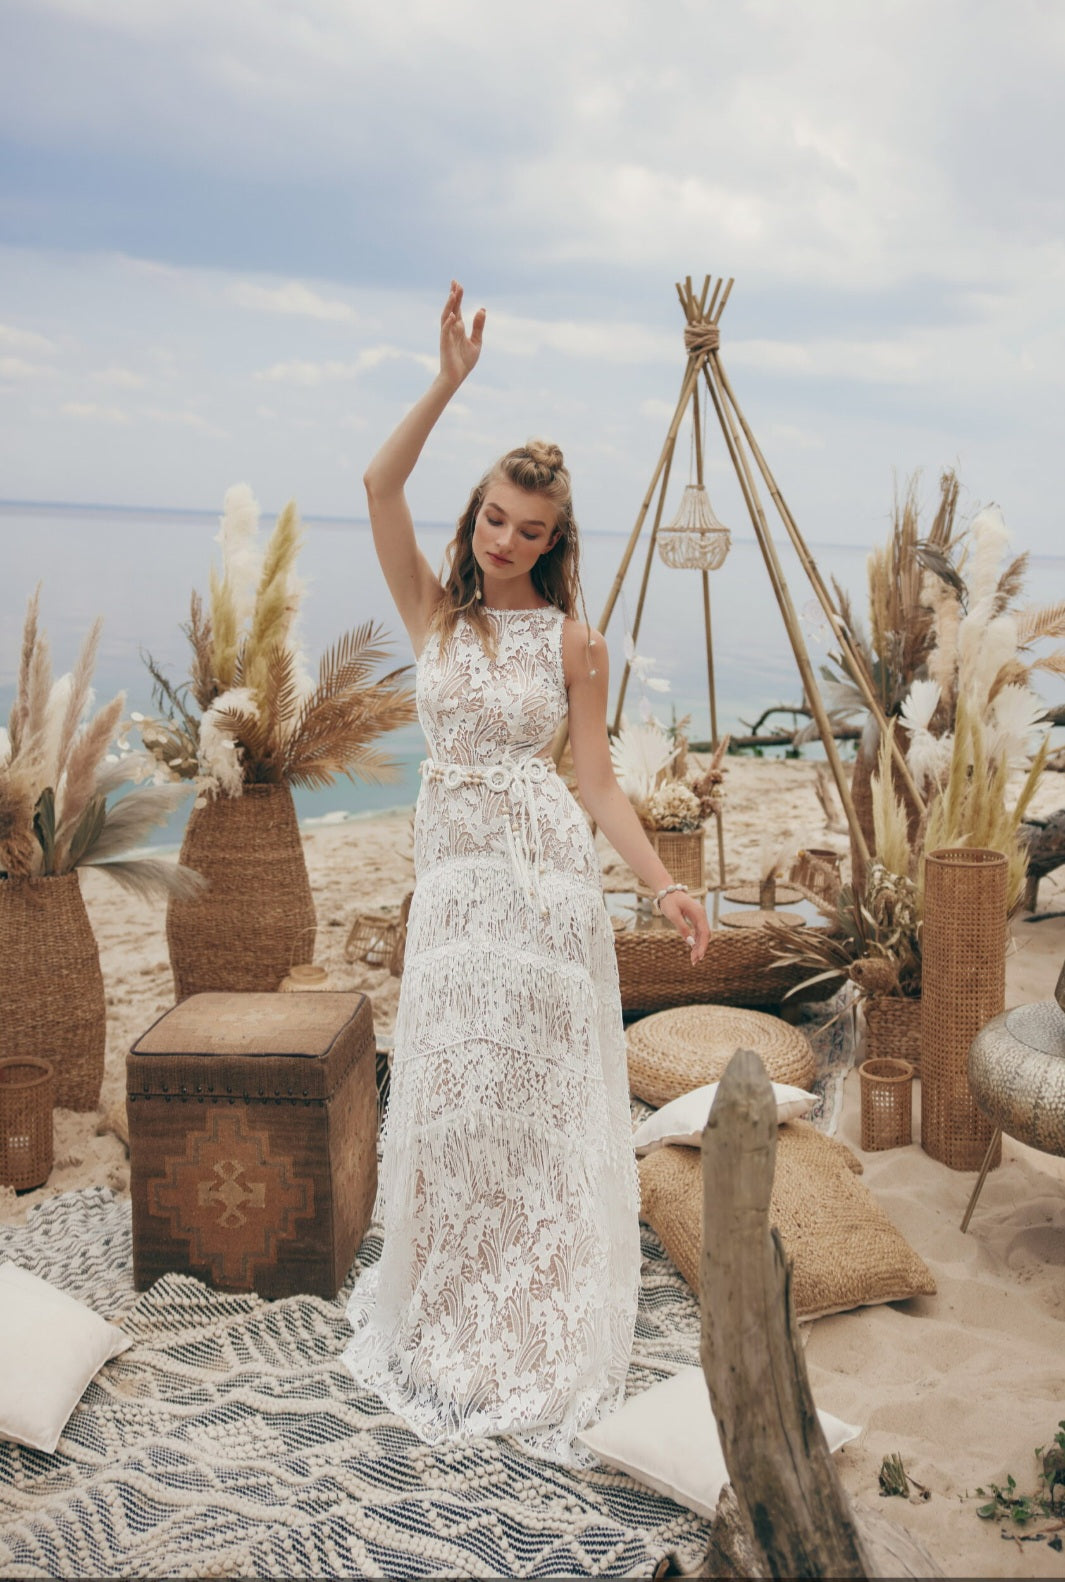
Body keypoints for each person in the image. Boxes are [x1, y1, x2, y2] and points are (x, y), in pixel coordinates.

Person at [341, 280, 710, 1465]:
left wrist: (663, 887)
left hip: (544, 891)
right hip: (454, 896)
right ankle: (451, 1313)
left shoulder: (574, 642)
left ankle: (537, 1320)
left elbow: (595, 784)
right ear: (475, 516)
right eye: (496, 519)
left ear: (556, 544)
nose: (508, 542)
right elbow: (376, 486)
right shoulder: (432, 617)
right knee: (451, 1101)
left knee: (534, 1114)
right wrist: (449, 381)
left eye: (532, 530)